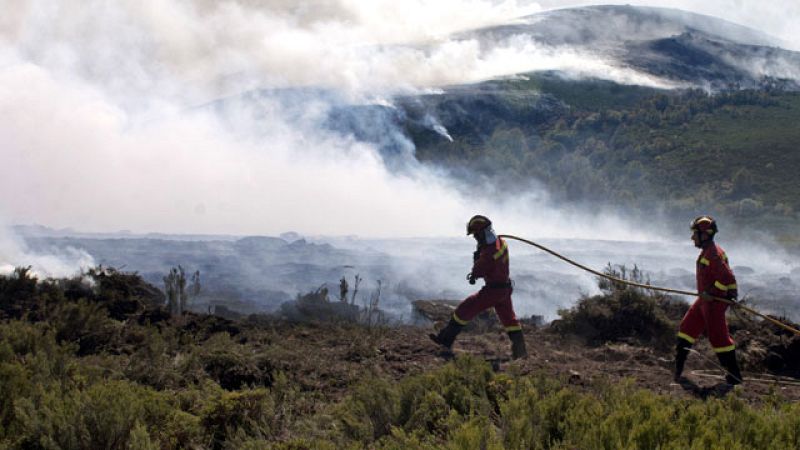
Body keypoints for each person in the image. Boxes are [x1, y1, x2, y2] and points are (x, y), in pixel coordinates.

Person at [430, 215, 528, 359]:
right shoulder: (501, 242)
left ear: (483, 233)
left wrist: (476, 259)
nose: (475, 238)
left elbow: (478, 271)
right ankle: (521, 352)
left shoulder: (489, 252)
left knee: (465, 309)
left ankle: (445, 340)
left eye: (476, 235)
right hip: (505, 289)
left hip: (493, 291)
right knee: (509, 320)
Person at [674, 215, 743, 385]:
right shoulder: (709, 251)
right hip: (705, 300)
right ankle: (677, 371)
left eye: (695, 234)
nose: (692, 237)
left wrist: (713, 293)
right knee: (686, 328)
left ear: (704, 235)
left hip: (714, 303)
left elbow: (727, 278)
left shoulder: (713, 254)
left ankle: (734, 377)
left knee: (719, 339)